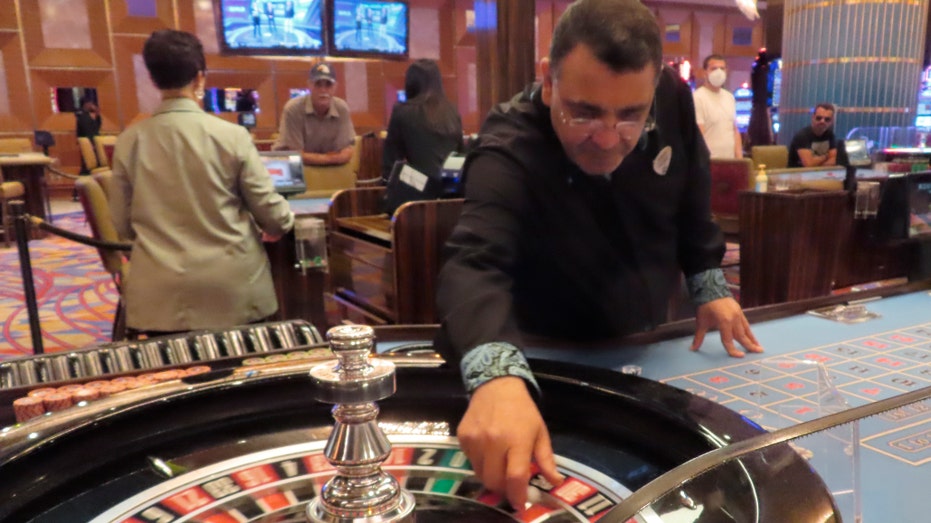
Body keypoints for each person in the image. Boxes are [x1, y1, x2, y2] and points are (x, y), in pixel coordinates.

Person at [434, 0, 763, 511]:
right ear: (548, 82)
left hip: (649, 337)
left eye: (630, 115)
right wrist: (496, 374)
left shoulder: (672, 99)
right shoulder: (510, 145)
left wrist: (708, 285)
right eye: (584, 112)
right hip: (552, 357)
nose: (608, 139)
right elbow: (475, 263)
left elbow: (691, 192)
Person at [109, 29, 294, 335]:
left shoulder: (129, 141)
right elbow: (271, 215)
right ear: (200, 78)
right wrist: (280, 222)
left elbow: (122, 224)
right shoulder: (232, 136)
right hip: (234, 293)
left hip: (158, 298)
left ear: (153, 79)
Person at [381, 59, 463, 182]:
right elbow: (459, 157)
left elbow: (390, 168)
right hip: (452, 191)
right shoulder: (453, 111)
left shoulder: (402, 111)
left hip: (418, 194)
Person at [273, 62, 356, 167]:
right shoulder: (293, 109)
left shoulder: (342, 108)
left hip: (330, 169)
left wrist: (324, 159)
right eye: (318, 84)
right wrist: (331, 158)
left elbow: (346, 152)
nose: (323, 90)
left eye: (328, 84)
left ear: (335, 87)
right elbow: (295, 155)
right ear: (310, 85)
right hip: (292, 168)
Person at [693, 54, 742, 159]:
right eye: (714, 68)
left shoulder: (730, 97)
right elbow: (698, 135)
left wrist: (740, 160)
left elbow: (734, 131)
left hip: (730, 162)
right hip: (709, 162)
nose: (719, 72)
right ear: (705, 72)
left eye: (722, 68)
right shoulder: (698, 98)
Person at [788, 102, 837, 167]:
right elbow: (809, 164)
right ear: (813, 117)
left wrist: (820, 167)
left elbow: (834, 159)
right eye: (819, 118)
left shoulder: (830, 135)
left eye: (827, 119)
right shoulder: (802, 136)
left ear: (831, 121)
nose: (822, 121)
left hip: (819, 174)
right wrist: (826, 156)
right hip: (798, 174)